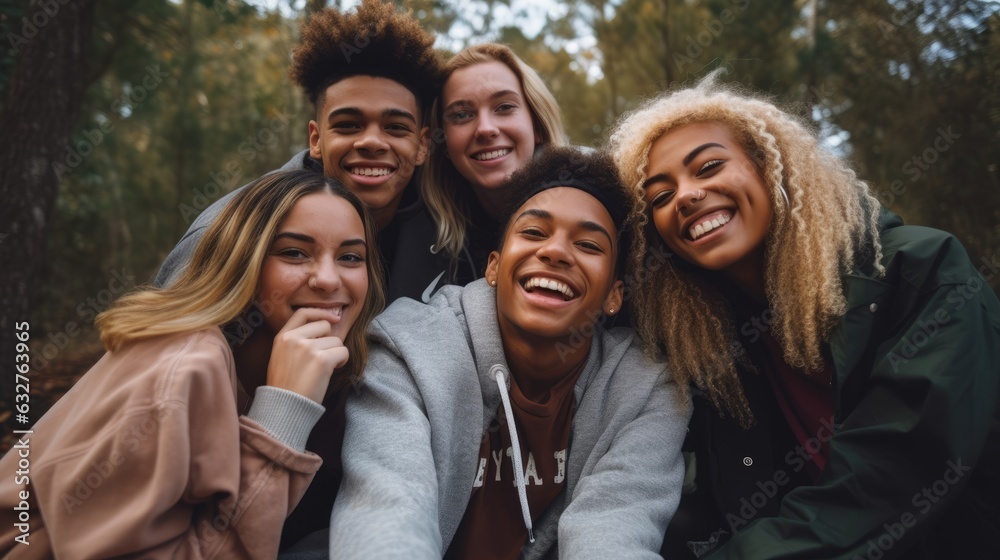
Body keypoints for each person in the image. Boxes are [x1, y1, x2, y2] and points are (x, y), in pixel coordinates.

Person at [608, 73, 1000, 559]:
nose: (686, 196)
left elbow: (889, 480)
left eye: (708, 167)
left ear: (772, 167)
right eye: (660, 196)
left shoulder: (922, 272)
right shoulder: (713, 347)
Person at [0, 170, 384, 558]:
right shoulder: (184, 366)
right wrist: (282, 415)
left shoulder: (284, 367)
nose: (327, 279)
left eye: (350, 257)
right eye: (294, 253)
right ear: (240, 261)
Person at [329, 146, 690, 559]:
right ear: (494, 267)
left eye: (589, 245)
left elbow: (614, 527)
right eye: (534, 233)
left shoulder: (645, 388)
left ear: (613, 295)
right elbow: (387, 508)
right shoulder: (407, 348)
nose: (555, 252)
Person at [156, 0, 446, 304]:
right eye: (348, 125)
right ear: (316, 139)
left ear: (422, 145)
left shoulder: (450, 225)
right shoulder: (232, 230)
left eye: (396, 127)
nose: (371, 142)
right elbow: (161, 339)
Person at [422, 43, 569, 284]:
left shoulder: (600, 206)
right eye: (461, 115)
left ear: (538, 126)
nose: (486, 129)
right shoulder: (422, 237)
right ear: (443, 141)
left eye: (504, 107)